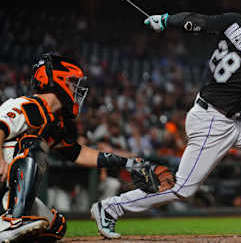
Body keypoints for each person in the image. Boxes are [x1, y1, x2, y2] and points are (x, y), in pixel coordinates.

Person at [90, 0, 241, 238]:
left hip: (227, 117)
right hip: (212, 122)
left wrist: (166, 20)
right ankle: (110, 207)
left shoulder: (237, 22)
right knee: (183, 188)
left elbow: (198, 21)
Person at [0, 54, 156, 242]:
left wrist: (126, 162)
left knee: (55, 227)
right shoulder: (29, 106)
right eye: (73, 82)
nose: (76, 88)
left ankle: (11, 220)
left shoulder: (53, 122)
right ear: (57, 80)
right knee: (33, 144)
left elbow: (78, 153)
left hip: (7, 190)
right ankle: (12, 220)